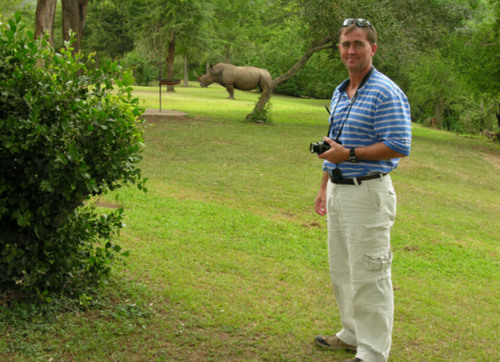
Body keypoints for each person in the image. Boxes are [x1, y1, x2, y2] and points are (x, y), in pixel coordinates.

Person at [313, 18, 412, 362]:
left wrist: (350, 155)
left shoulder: (385, 91)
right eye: (345, 44)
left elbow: (399, 145)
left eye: (358, 44)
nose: (351, 50)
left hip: (368, 192)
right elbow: (334, 144)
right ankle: (351, 332)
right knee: (342, 269)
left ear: (373, 48)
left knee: (370, 273)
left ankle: (372, 351)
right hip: (340, 190)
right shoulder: (341, 92)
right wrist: (325, 185)